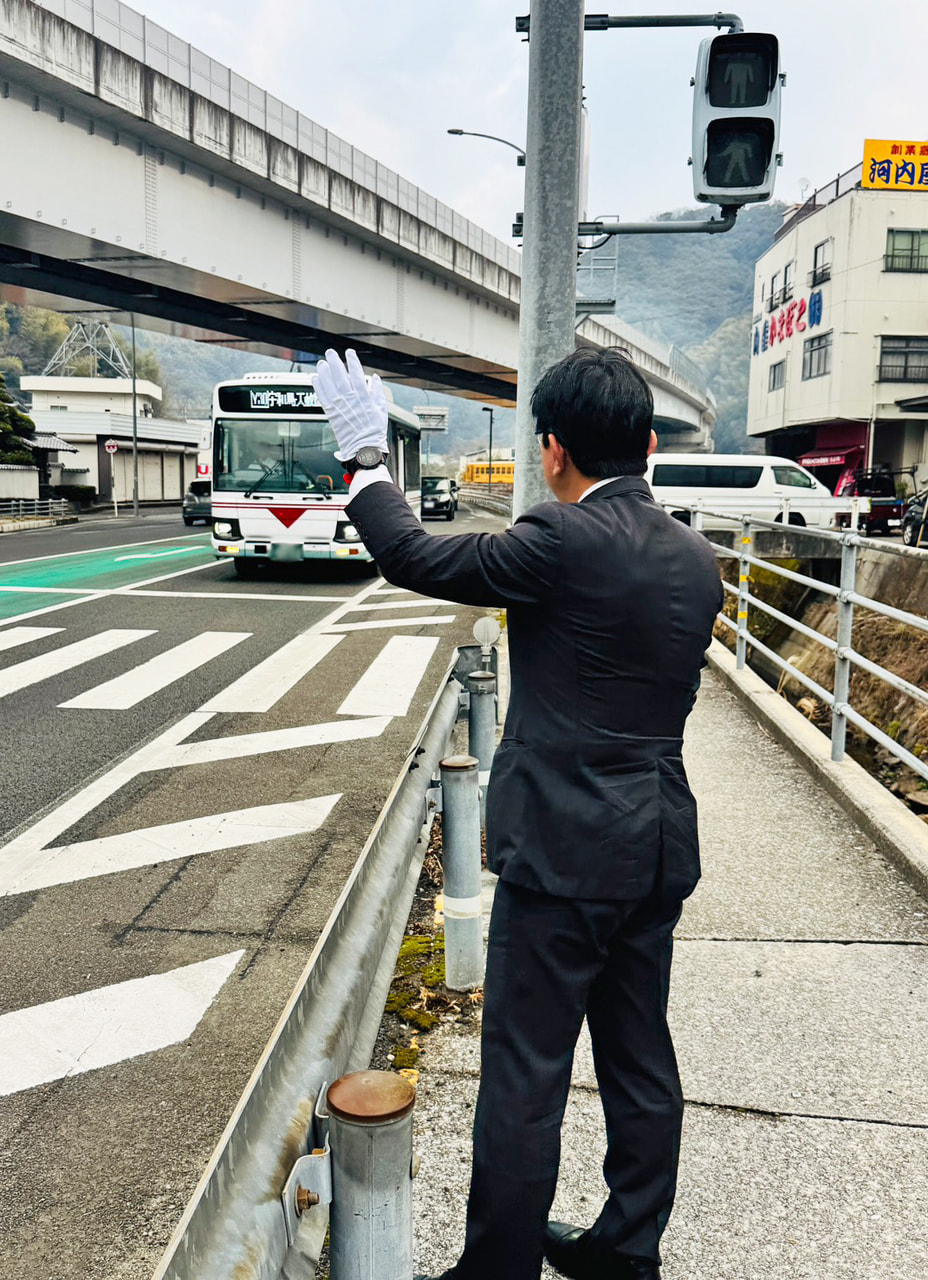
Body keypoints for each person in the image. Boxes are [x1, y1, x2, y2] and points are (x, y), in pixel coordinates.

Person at [312, 347, 723, 1280]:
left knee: (526, 1074)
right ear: (652, 445)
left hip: (565, 856)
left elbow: (412, 555)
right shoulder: (698, 558)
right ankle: (628, 1249)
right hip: (657, 844)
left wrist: (365, 461)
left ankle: (496, 1269)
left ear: (551, 452)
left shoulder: (557, 540)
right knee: (640, 1058)